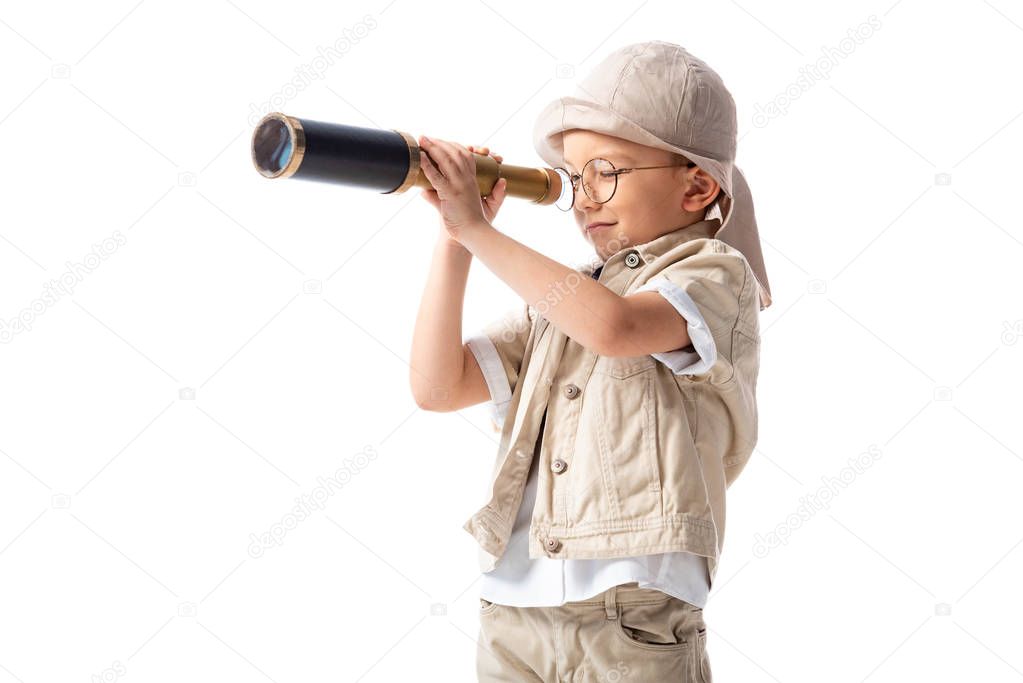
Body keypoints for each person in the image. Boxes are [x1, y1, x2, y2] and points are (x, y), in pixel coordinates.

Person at [409, 40, 772, 682]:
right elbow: (437, 387)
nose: (583, 199)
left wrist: (483, 231)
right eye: (575, 179)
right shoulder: (558, 304)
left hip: (630, 612)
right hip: (514, 611)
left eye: (606, 172)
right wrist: (454, 239)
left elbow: (617, 326)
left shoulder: (717, 276)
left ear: (697, 186)